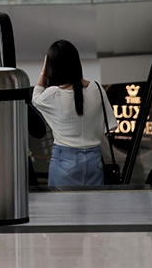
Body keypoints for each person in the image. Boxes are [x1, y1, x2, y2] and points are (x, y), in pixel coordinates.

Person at [31, 40, 115, 186]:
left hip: (65, 160)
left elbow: (35, 97)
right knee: (93, 207)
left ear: (52, 66)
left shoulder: (52, 95)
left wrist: (44, 71)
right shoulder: (96, 88)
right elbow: (111, 126)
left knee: (61, 208)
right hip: (95, 160)